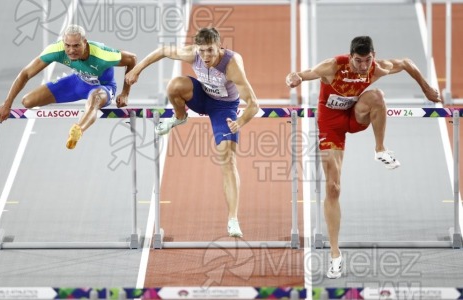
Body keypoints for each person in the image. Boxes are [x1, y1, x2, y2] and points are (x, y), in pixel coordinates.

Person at [285, 36, 441, 279]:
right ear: (350, 57)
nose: (363, 66)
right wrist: (294, 77)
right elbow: (304, 74)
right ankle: (335, 255)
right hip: (331, 126)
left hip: (356, 116)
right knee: (333, 188)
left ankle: (380, 149)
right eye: (358, 61)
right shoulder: (333, 66)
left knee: (377, 95)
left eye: (367, 60)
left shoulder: (376, 67)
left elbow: (408, 63)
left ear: (373, 55)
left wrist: (426, 88)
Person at [125, 27, 259, 237]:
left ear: (219, 46)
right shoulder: (192, 53)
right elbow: (161, 51)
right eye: (202, 51)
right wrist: (137, 70)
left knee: (228, 159)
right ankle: (179, 117)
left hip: (223, 108)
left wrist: (240, 122)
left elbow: (253, 104)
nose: (206, 56)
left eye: (210, 51)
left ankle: (233, 219)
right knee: (175, 85)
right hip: (201, 97)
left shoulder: (232, 65)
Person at [0, 24, 137, 149]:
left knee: (94, 98)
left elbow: (132, 59)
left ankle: (77, 130)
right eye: (67, 45)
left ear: (85, 43)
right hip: (77, 82)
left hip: (102, 88)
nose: (71, 50)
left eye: (76, 46)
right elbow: (25, 74)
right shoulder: (56, 50)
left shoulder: (102, 55)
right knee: (27, 101)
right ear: (63, 43)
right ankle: (78, 118)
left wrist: (125, 93)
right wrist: (7, 103)